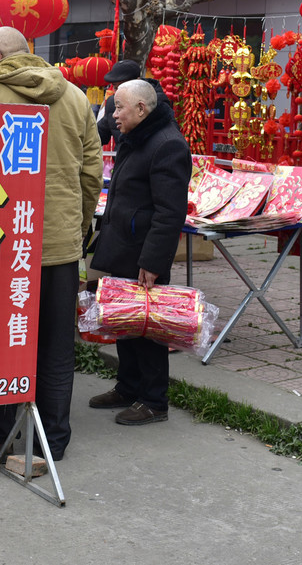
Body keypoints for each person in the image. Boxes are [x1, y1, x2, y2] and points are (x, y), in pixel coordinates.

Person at [0, 27, 102, 462]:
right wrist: (76, 228)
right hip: (59, 244)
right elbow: (91, 174)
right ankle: (52, 439)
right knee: (56, 347)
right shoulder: (75, 97)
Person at [88, 79, 191, 425]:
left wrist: (153, 261)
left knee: (148, 328)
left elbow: (170, 212)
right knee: (126, 321)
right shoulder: (134, 136)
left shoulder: (168, 145)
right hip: (124, 245)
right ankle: (128, 387)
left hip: (144, 253)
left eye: (119, 107)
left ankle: (154, 401)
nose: (113, 115)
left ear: (142, 109)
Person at [97, 59, 141, 147]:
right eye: (115, 87)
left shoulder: (153, 103)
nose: (118, 92)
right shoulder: (112, 104)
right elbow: (98, 135)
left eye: (122, 87)